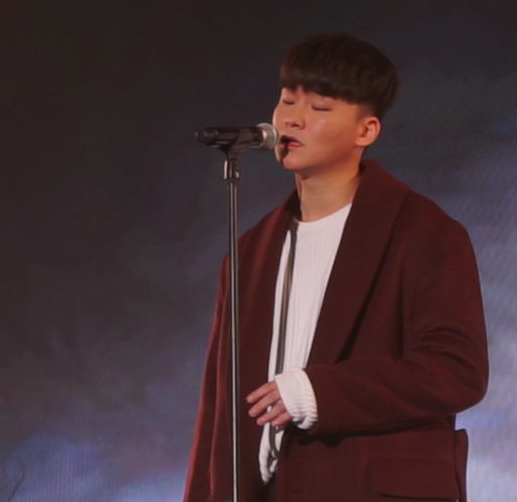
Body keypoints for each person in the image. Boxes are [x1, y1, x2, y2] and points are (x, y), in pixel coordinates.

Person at [183, 33, 489, 502]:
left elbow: (456, 370)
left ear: (366, 131)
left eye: (320, 107)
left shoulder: (424, 232)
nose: (292, 118)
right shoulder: (249, 251)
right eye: (287, 100)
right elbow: (217, 411)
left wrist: (318, 392)